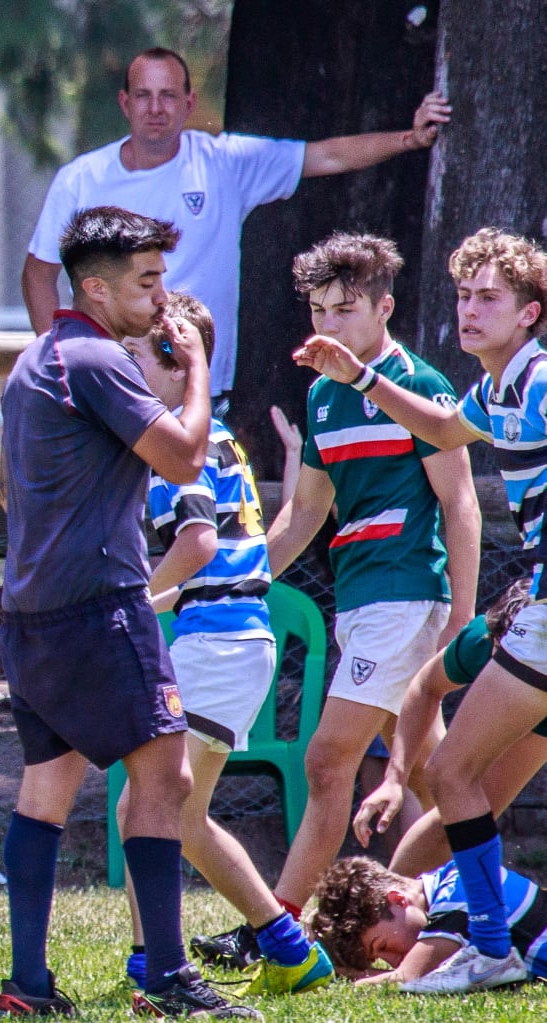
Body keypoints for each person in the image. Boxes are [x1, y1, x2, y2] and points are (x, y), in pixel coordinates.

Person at [0, 206, 254, 1018]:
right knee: (166, 776)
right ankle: (167, 976)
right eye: (146, 282)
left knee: (45, 788)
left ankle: (27, 986)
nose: (161, 296)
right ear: (96, 288)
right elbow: (182, 454)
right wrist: (200, 365)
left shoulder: (33, 360)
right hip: (101, 606)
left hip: (28, 613)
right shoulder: (99, 359)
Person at [292, 227, 547, 992]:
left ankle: (491, 945)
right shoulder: (491, 388)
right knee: (458, 778)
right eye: (463, 295)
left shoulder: (537, 379)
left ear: (529, 313)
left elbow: (456, 492)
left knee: (451, 772)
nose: (468, 310)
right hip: (534, 601)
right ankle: (479, 935)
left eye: (488, 298)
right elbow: (437, 428)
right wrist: (358, 374)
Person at [222, 234, 477, 957]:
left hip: (404, 595)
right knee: (433, 772)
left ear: (383, 308)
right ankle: (483, 909)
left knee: (328, 759)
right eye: (317, 310)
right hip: (359, 600)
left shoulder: (418, 386)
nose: (326, 325)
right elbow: (303, 514)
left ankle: (274, 926)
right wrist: (235, 583)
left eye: (343, 309)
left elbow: (461, 505)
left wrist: (459, 615)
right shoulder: (321, 396)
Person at [114, 295, 332, 996]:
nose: (121, 369)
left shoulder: (179, 445)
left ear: (180, 369)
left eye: (135, 358)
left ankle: (173, 961)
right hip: (228, 643)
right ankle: (277, 947)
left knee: (156, 808)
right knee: (170, 812)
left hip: (218, 649)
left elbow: (195, 541)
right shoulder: (217, 440)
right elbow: (244, 554)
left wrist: (138, 596)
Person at [22, 47, 451, 394]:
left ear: (189, 103)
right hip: (109, 383)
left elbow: (326, 155)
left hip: (198, 383)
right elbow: (38, 275)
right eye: (143, 95)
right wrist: (62, 366)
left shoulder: (223, 163)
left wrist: (409, 139)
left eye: (168, 95)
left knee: (198, 498)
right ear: (124, 102)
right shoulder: (80, 179)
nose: (155, 108)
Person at [350, 581, 547, 880]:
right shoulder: (482, 639)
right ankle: (392, 907)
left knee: (458, 789)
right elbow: (424, 686)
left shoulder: (532, 656)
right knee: (455, 803)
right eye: (503, 662)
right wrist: (395, 778)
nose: (504, 675)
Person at [306, 856, 547, 988]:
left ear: (397, 900)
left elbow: (408, 978)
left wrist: (340, 974)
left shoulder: (456, 901)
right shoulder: (449, 878)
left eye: (383, 946)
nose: (392, 960)